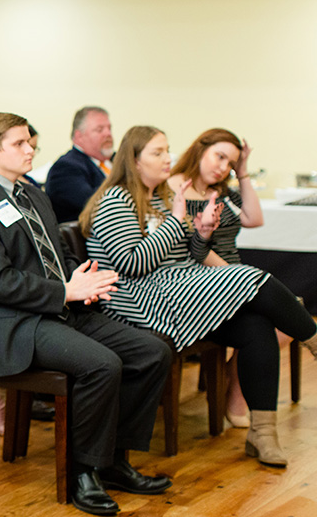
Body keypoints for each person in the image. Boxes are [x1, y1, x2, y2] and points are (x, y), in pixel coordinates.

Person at [0, 112, 173, 517]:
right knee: (101, 365)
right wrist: (66, 291)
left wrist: (78, 275)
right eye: (20, 143)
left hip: (57, 307)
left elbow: (59, 251)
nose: (30, 148)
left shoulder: (31, 193)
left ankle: (115, 460)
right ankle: (83, 472)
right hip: (9, 322)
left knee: (153, 351)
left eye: (30, 142)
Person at [80, 125, 317, 468]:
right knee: (253, 278)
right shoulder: (116, 199)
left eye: (167, 150)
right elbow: (132, 263)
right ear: (134, 160)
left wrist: (202, 232)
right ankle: (312, 337)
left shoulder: (160, 196)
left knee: (256, 325)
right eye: (158, 152)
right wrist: (178, 221)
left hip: (174, 287)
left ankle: (262, 433)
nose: (168, 158)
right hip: (142, 297)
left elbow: (187, 253)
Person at [168, 128, 263, 427]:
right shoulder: (173, 188)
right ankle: (234, 393)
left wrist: (243, 173)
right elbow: (189, 247)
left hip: (231, 273)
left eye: (230, 163)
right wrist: (236, 276)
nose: (223, 167)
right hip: (203, 277)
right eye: (219, 156)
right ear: (200, 149)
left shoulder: (222, 191)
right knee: (267, 319)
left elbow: (254, 219)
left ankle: (229, 381)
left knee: (282, 321)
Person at [45, 106, 114, 223]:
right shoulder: (66, 168)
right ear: (79, 136)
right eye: (99, 129)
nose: (108, 134)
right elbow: (93, 204)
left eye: (109, 128)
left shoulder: (118, 160)